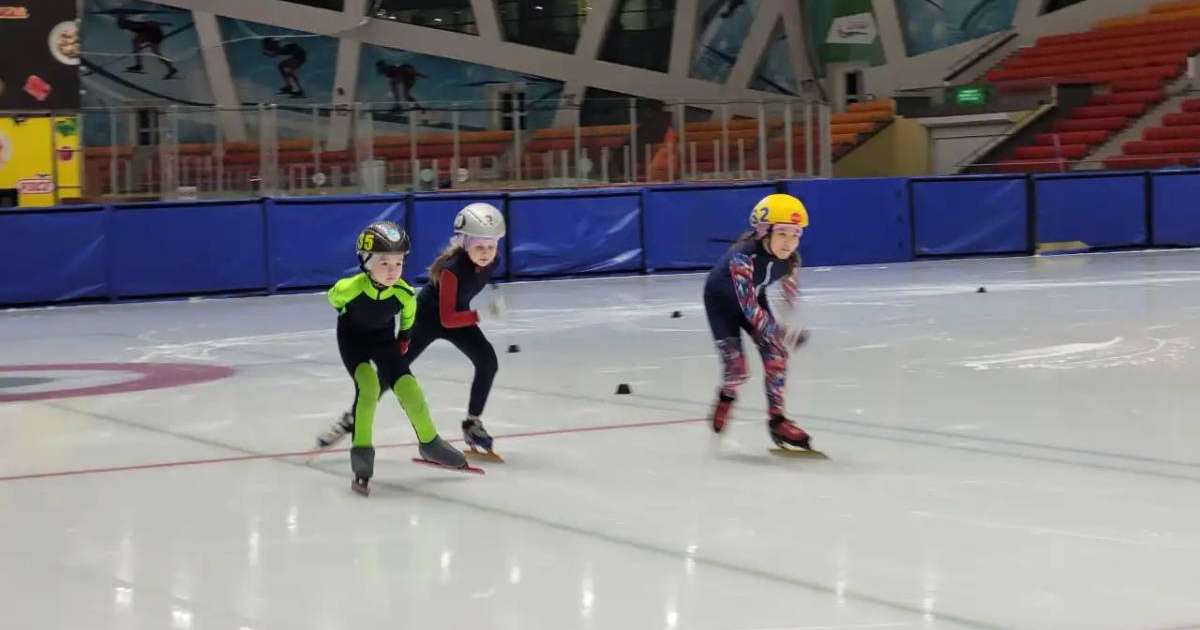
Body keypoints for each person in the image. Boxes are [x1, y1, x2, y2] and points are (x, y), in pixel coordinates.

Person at [318, 204, 506, 458]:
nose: (486, 253)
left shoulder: (493, 261)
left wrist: (475, 308)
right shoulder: (452, 270)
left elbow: (464, 299)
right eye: (479, 247)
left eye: (491, 247)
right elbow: (447, 319)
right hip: (426, 318)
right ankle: (351, 418)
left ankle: (472, 423)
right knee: (390, 375)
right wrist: (480, 314)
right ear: (464, 244)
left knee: (488, 362)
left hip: (456, 315)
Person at [326, 220, 468, 496]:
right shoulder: (351, 287)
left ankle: (430, 443)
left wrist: (404, 335)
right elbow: (335, 299)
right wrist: (347, 311)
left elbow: (409, 310)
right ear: (366, 262)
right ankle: (362, 457)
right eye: (384, 264)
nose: (393, 271)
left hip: (383, 340)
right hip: (353, 341)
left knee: (410, 389)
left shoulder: (403, 292)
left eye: (398, 264)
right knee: (368, 389)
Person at [702, 193, 813, 450]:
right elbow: (749, 310)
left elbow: (788, 295)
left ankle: (777, 420)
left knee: (777, 356)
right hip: (722, 304)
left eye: (796, 234)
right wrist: (785, 333)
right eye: (783, 233)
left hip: (753, 297)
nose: (789, 243)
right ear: (764, 231)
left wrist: (785, 324)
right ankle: (727, 395)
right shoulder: (743, 257)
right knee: (737, 371)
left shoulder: (792, 260)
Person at [117, 15, 178, 79]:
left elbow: (151, 23)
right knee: (156, 53)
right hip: (155, 36)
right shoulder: (130, 25)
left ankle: (138, 65)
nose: (120, 27)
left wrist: (165, 24)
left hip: (155, 34)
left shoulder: (133, 24)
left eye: (120, 25)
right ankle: (171, 69)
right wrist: (138, 48)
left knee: (135, 41)